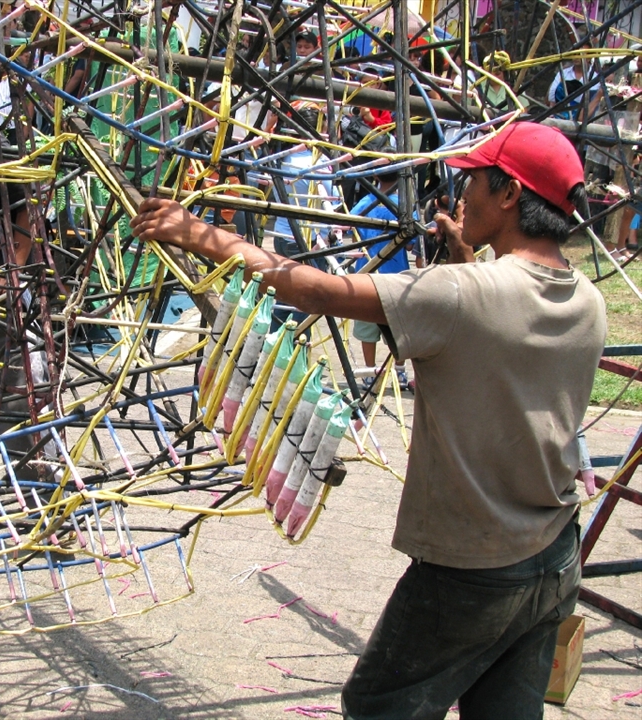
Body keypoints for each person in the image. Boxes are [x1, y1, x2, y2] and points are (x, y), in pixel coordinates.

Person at [131, 122, 605, 719]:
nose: (461, 194)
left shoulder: (459, 294)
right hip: (554, 559)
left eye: (474, 181)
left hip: (471, 571)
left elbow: (321, 292)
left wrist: (202, 235)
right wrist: (465, 262)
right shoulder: (587, 299)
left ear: (510, 194)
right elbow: (498, 334)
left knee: (378, 706)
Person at [348, 172, 412, 391]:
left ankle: (369, 371)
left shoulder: (365, 203)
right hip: (397, 274)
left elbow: (351, 231)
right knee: (398, 326)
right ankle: (400, 371)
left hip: (367, 271)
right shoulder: (404, 205)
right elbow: (412, 244)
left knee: (367, 325)